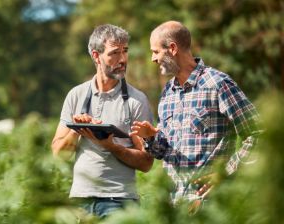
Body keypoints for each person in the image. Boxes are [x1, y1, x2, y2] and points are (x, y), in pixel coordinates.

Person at [130, 21, 261, 208]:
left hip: (212, 205)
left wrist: (224, 174)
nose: (153, 58)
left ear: (173, 48)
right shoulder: (167, 92)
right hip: (175, 205)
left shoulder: (218, 84)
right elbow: (166, 152)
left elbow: (257, 133)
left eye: (156, 51)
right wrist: (151, 138)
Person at [51, 24, 154, 218]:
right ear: (96, 56)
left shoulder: (136, 100)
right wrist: (78, 129)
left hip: (119, 202)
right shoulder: (76, 95)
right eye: (115, 53)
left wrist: (112, 146)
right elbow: (58, 154)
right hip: (79, 202)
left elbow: (147, 162)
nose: (123, 59)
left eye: (125, 51)